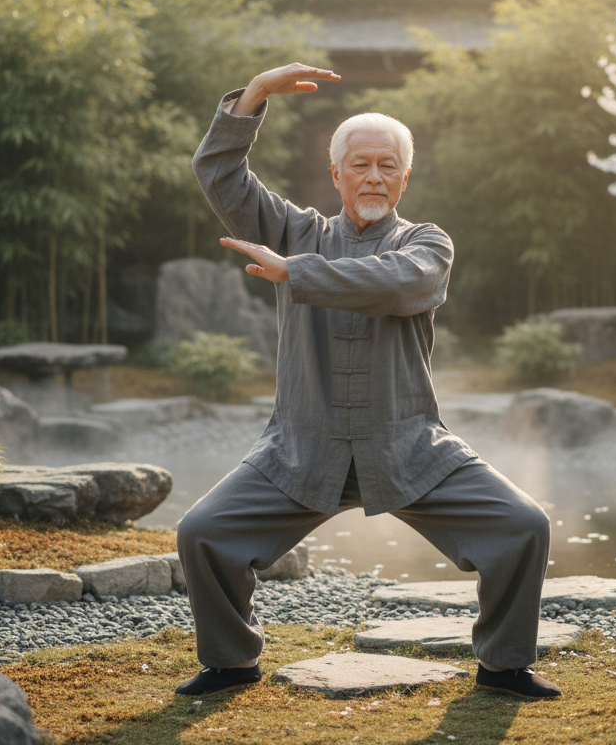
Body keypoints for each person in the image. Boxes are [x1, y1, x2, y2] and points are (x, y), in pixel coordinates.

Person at [174, 63, 559, 700]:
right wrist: (257, 94)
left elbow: (398, 284)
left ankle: (503, 665)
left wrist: (296, 273)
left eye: (387, 165)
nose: (373, 176)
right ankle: (232, 662)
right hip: (302, 448)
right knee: (202, 532)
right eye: (360, 164)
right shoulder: (297, 232)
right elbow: (219, 175)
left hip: (407, 449)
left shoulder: (426, 244)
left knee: (524, 526)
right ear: (336, 174)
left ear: (405, 177)